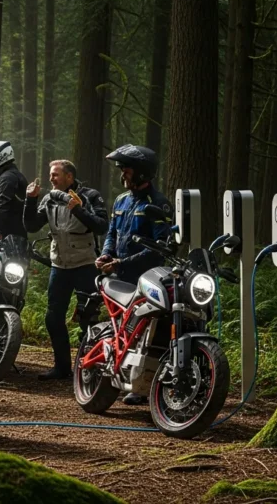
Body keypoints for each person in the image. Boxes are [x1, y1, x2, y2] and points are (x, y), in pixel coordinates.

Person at [96, 144, 172, 404]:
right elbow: (111, 233)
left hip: (147, 278)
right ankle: (111, 375)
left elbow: (161, 248)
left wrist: (120, 262)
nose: (122, 175)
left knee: (143, 331)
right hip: (119, 275)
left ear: (141, 172)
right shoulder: (120, 200)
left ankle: (140, 387)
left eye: (126, 169)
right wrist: (107, 254)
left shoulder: (159, 203)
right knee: (120, 327)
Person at [24, 160, 109, 380]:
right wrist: (29, 201)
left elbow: (101, 226)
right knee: (53, 318)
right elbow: (32, 225)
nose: (51, 179)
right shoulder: (49, 198)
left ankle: (89, 368)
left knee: (88, 318)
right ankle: (62, 367)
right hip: (59, 267)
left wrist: (78, 209)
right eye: (51, 175)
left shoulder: (90, 195)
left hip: (85, 265)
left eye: (55, 175)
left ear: (69, 177)